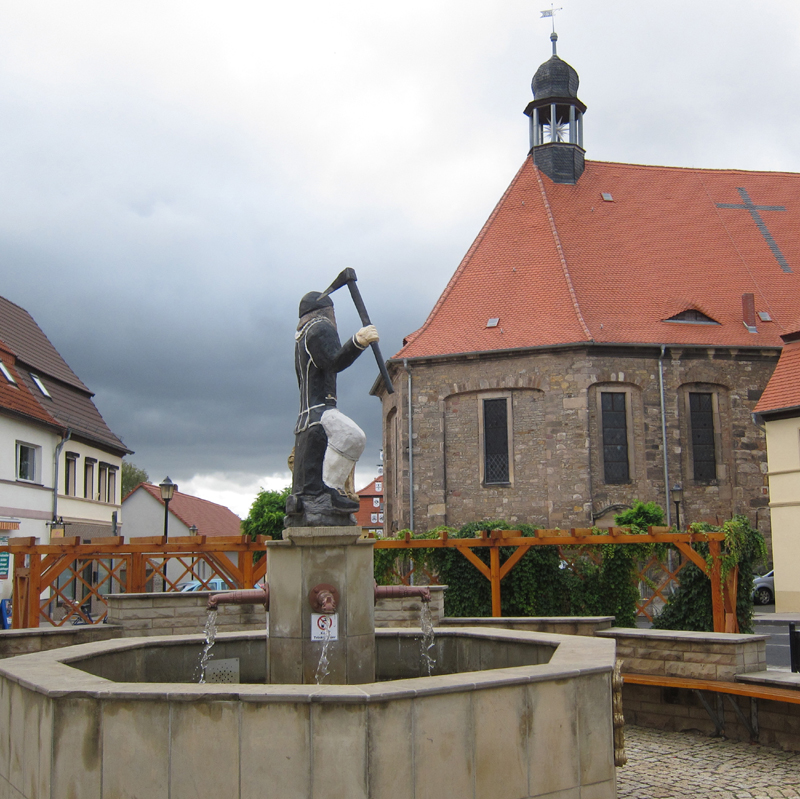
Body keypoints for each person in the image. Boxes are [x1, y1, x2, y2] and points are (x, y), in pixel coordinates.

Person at [287, 290, 379, 523]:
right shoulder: (320, 328)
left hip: (310, 413)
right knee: (354, 437)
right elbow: (334, 361)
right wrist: (359, 341)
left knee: (350, 438)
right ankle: (330, 489)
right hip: (321, 411)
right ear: (327, 311)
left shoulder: (303, 333)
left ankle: (327, 489)